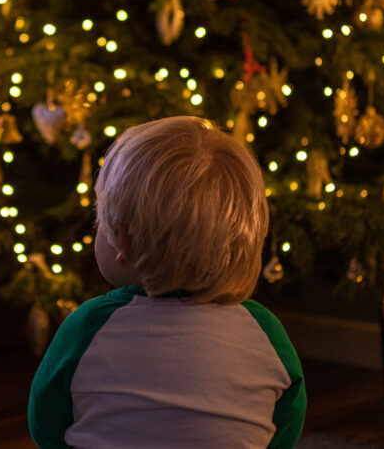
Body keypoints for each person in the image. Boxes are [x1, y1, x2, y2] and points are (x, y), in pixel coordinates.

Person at [28, 116, 306, 449]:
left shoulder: (89, 326)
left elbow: (45, 423)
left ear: (122, 241)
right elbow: (284, 426)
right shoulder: (265, 331)